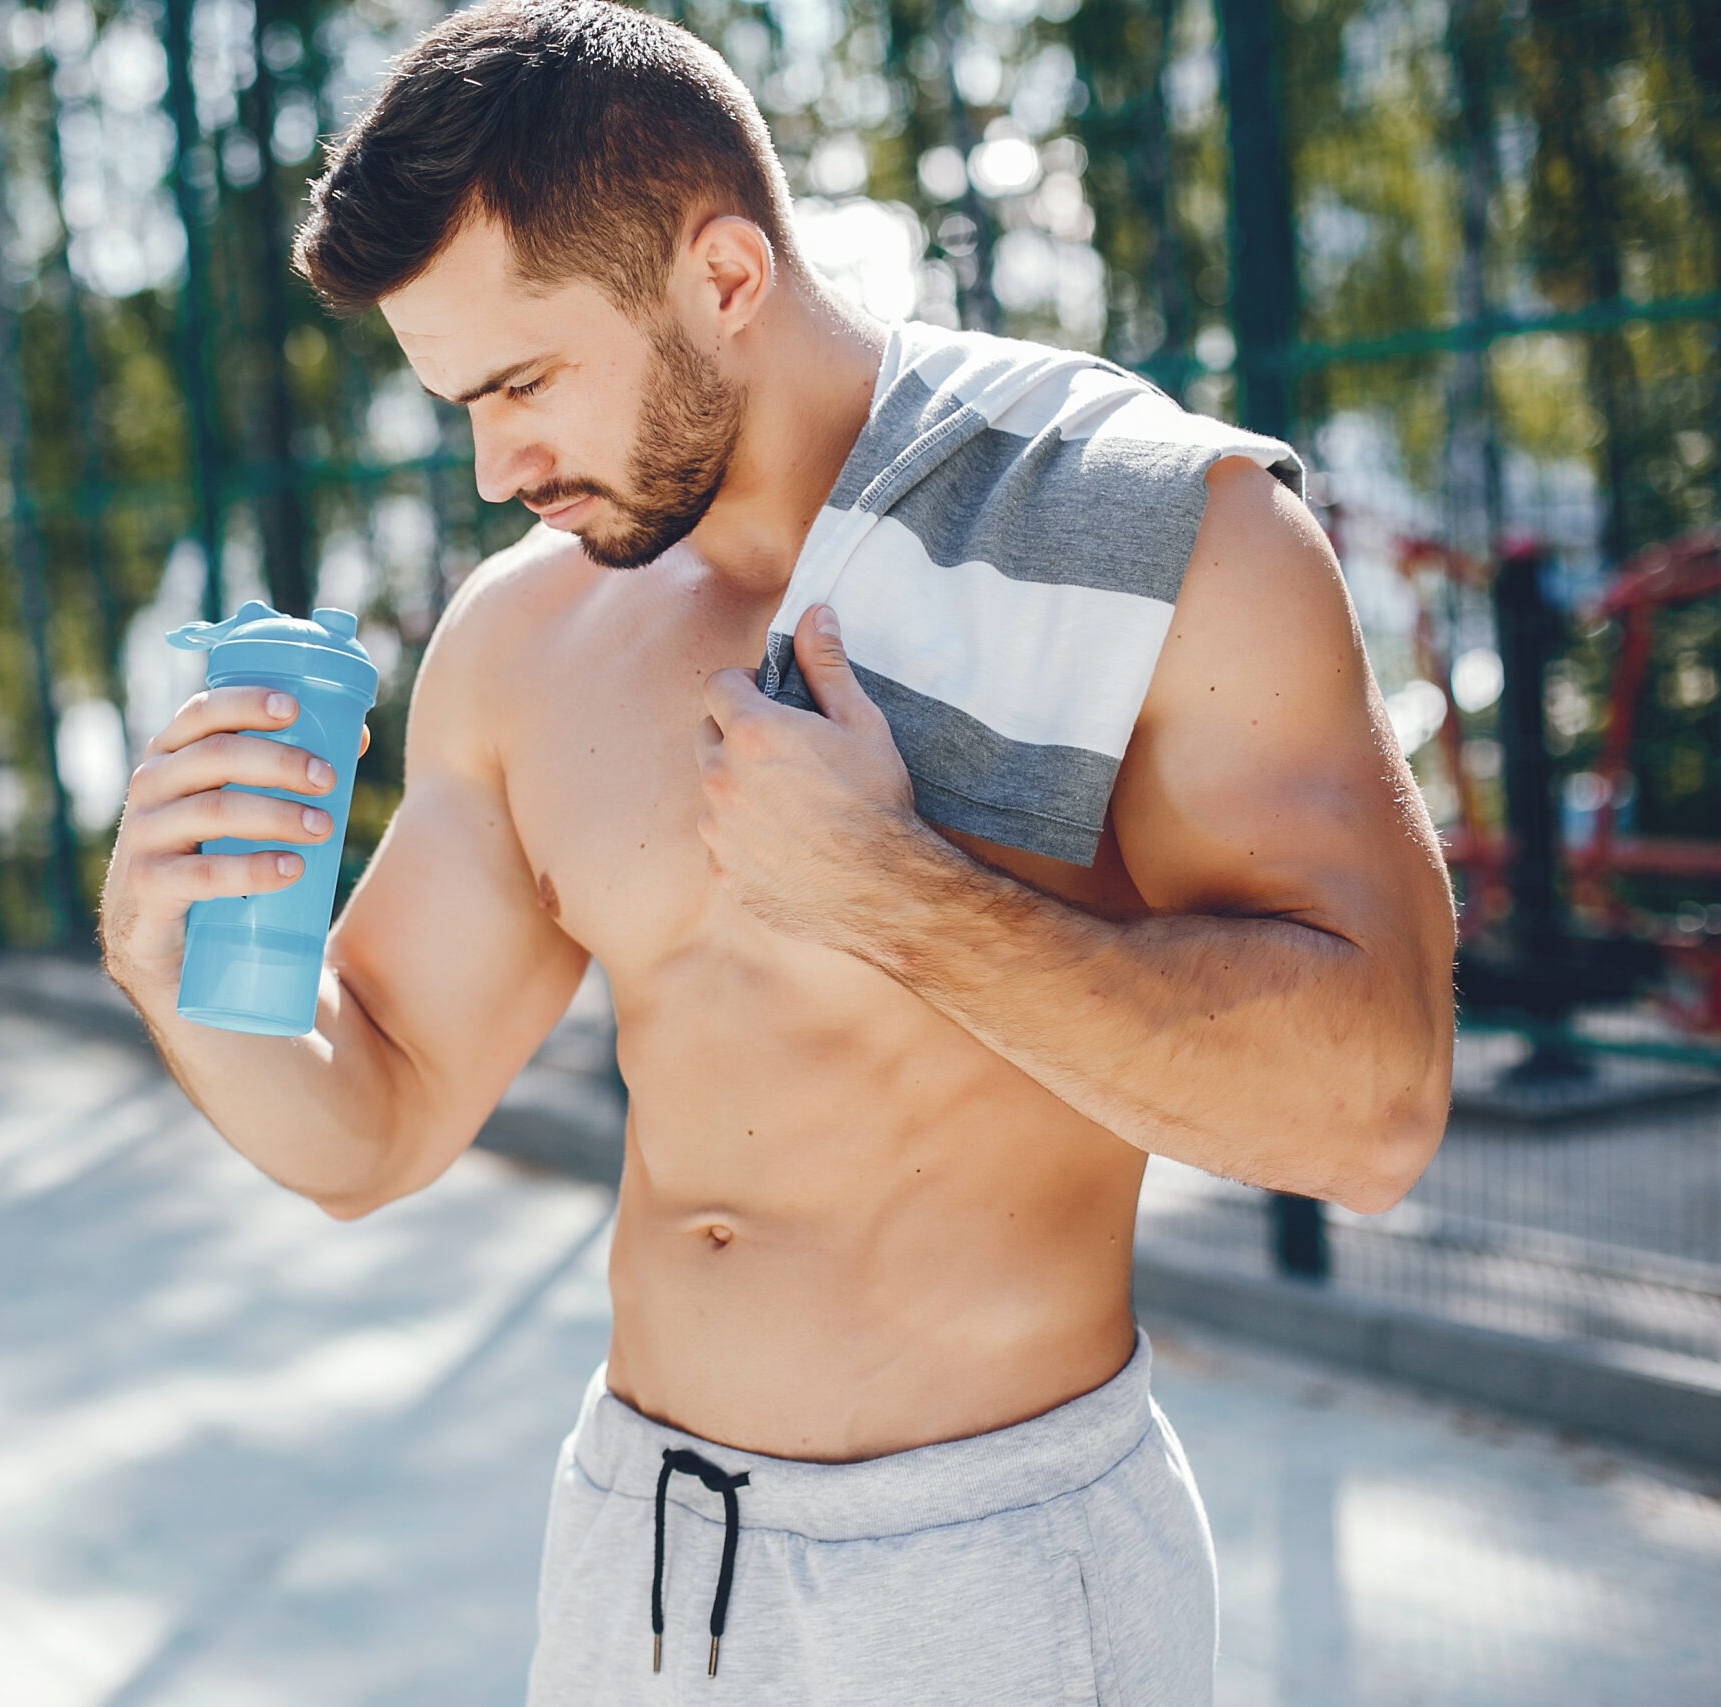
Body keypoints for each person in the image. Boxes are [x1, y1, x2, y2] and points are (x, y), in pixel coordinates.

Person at [97, 2, 1457, 1700]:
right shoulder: (528, 638)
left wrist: (901, 898)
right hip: (642, 1547)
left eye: (522, 383)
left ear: (725, 277)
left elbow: (1379, 1106)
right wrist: (171, 971)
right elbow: (367, 1120)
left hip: (990, 1565)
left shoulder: (1158, 532)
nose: (493, 465)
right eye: (456, 401)